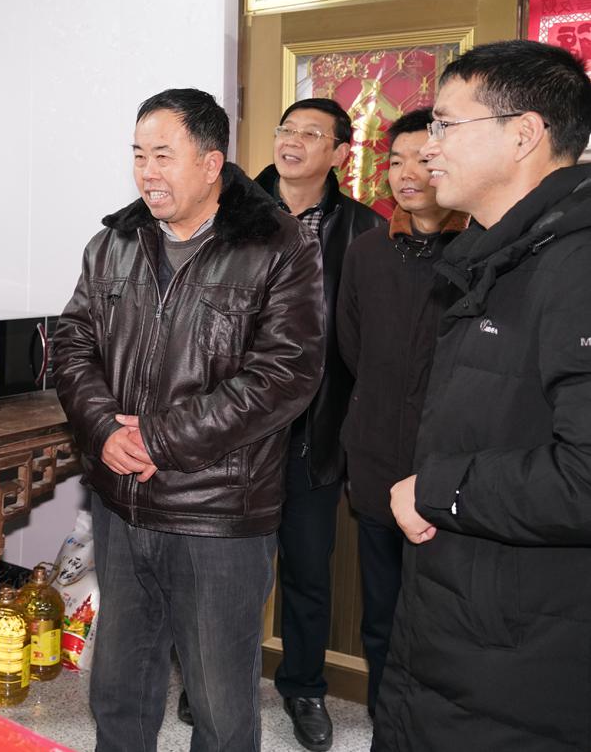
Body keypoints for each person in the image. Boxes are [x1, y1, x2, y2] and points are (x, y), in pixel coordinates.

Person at [53, 88, 325, 752]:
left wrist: (158, 438)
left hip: (216, 512)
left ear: (210, 163)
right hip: (122, 501)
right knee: (118, 689)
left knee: (218, 703)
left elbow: (284, 375)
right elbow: (71, 343)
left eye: (162, 155)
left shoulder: (278, 245)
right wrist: (103, 428)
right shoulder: (114, 243)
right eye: (138, 155)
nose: (147, 172)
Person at [378, 40, 591, 749]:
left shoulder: (576, 265)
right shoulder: (500, 255)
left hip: (523, 659)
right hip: (462, 630)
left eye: (445, 124)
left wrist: (438, 489)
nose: (427, 146)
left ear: (523, 133)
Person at [251, 97, 380, 752]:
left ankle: (303, 687)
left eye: (310, 132)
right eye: (285, 129)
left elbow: (370, 344)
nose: (292, 141)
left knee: (307, 572)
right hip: (236, 434)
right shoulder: (232, 212)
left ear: (338, 152)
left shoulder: (365, 230)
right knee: (228, 572)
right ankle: (216, 676)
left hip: (314, 432)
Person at [334, 108, 468, 716]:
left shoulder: (482, 250)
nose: (407, 173)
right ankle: (384, 722)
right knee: (381, 613)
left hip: (451, 474)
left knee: (447, 621)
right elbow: (353, 349)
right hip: (377, 461)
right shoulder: (366, 252)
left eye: (423, 158)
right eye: (395, 161)